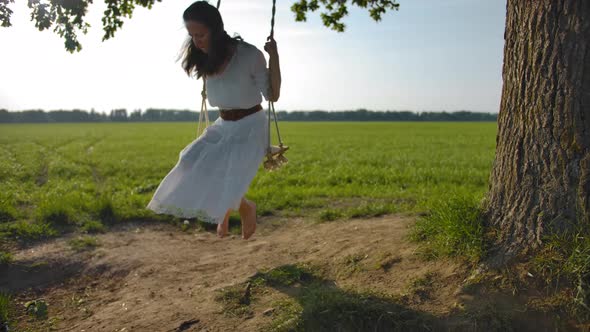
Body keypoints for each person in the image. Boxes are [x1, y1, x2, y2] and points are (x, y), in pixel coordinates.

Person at [146, 0, 281, 240]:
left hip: (251, 124)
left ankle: (245, 209)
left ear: (216, 29)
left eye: (201, 34)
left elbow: (272, 95)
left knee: (230, 174)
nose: (196, 41)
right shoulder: (205, 56)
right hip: (224, 124)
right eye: (192, 35)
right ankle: (230, 209)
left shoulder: (250, 55)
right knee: (189, 160)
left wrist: (275, 57)